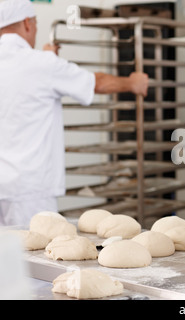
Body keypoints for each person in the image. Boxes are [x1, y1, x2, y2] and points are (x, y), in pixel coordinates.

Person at [0, 0, 149, 226]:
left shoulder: (38, 64)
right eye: (36, 23)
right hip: (30, 192)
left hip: (4, 185)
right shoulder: (42, 65)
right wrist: (132, 82)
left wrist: (49, 60)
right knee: (31, 255)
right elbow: (95, 83)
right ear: (26, 23)